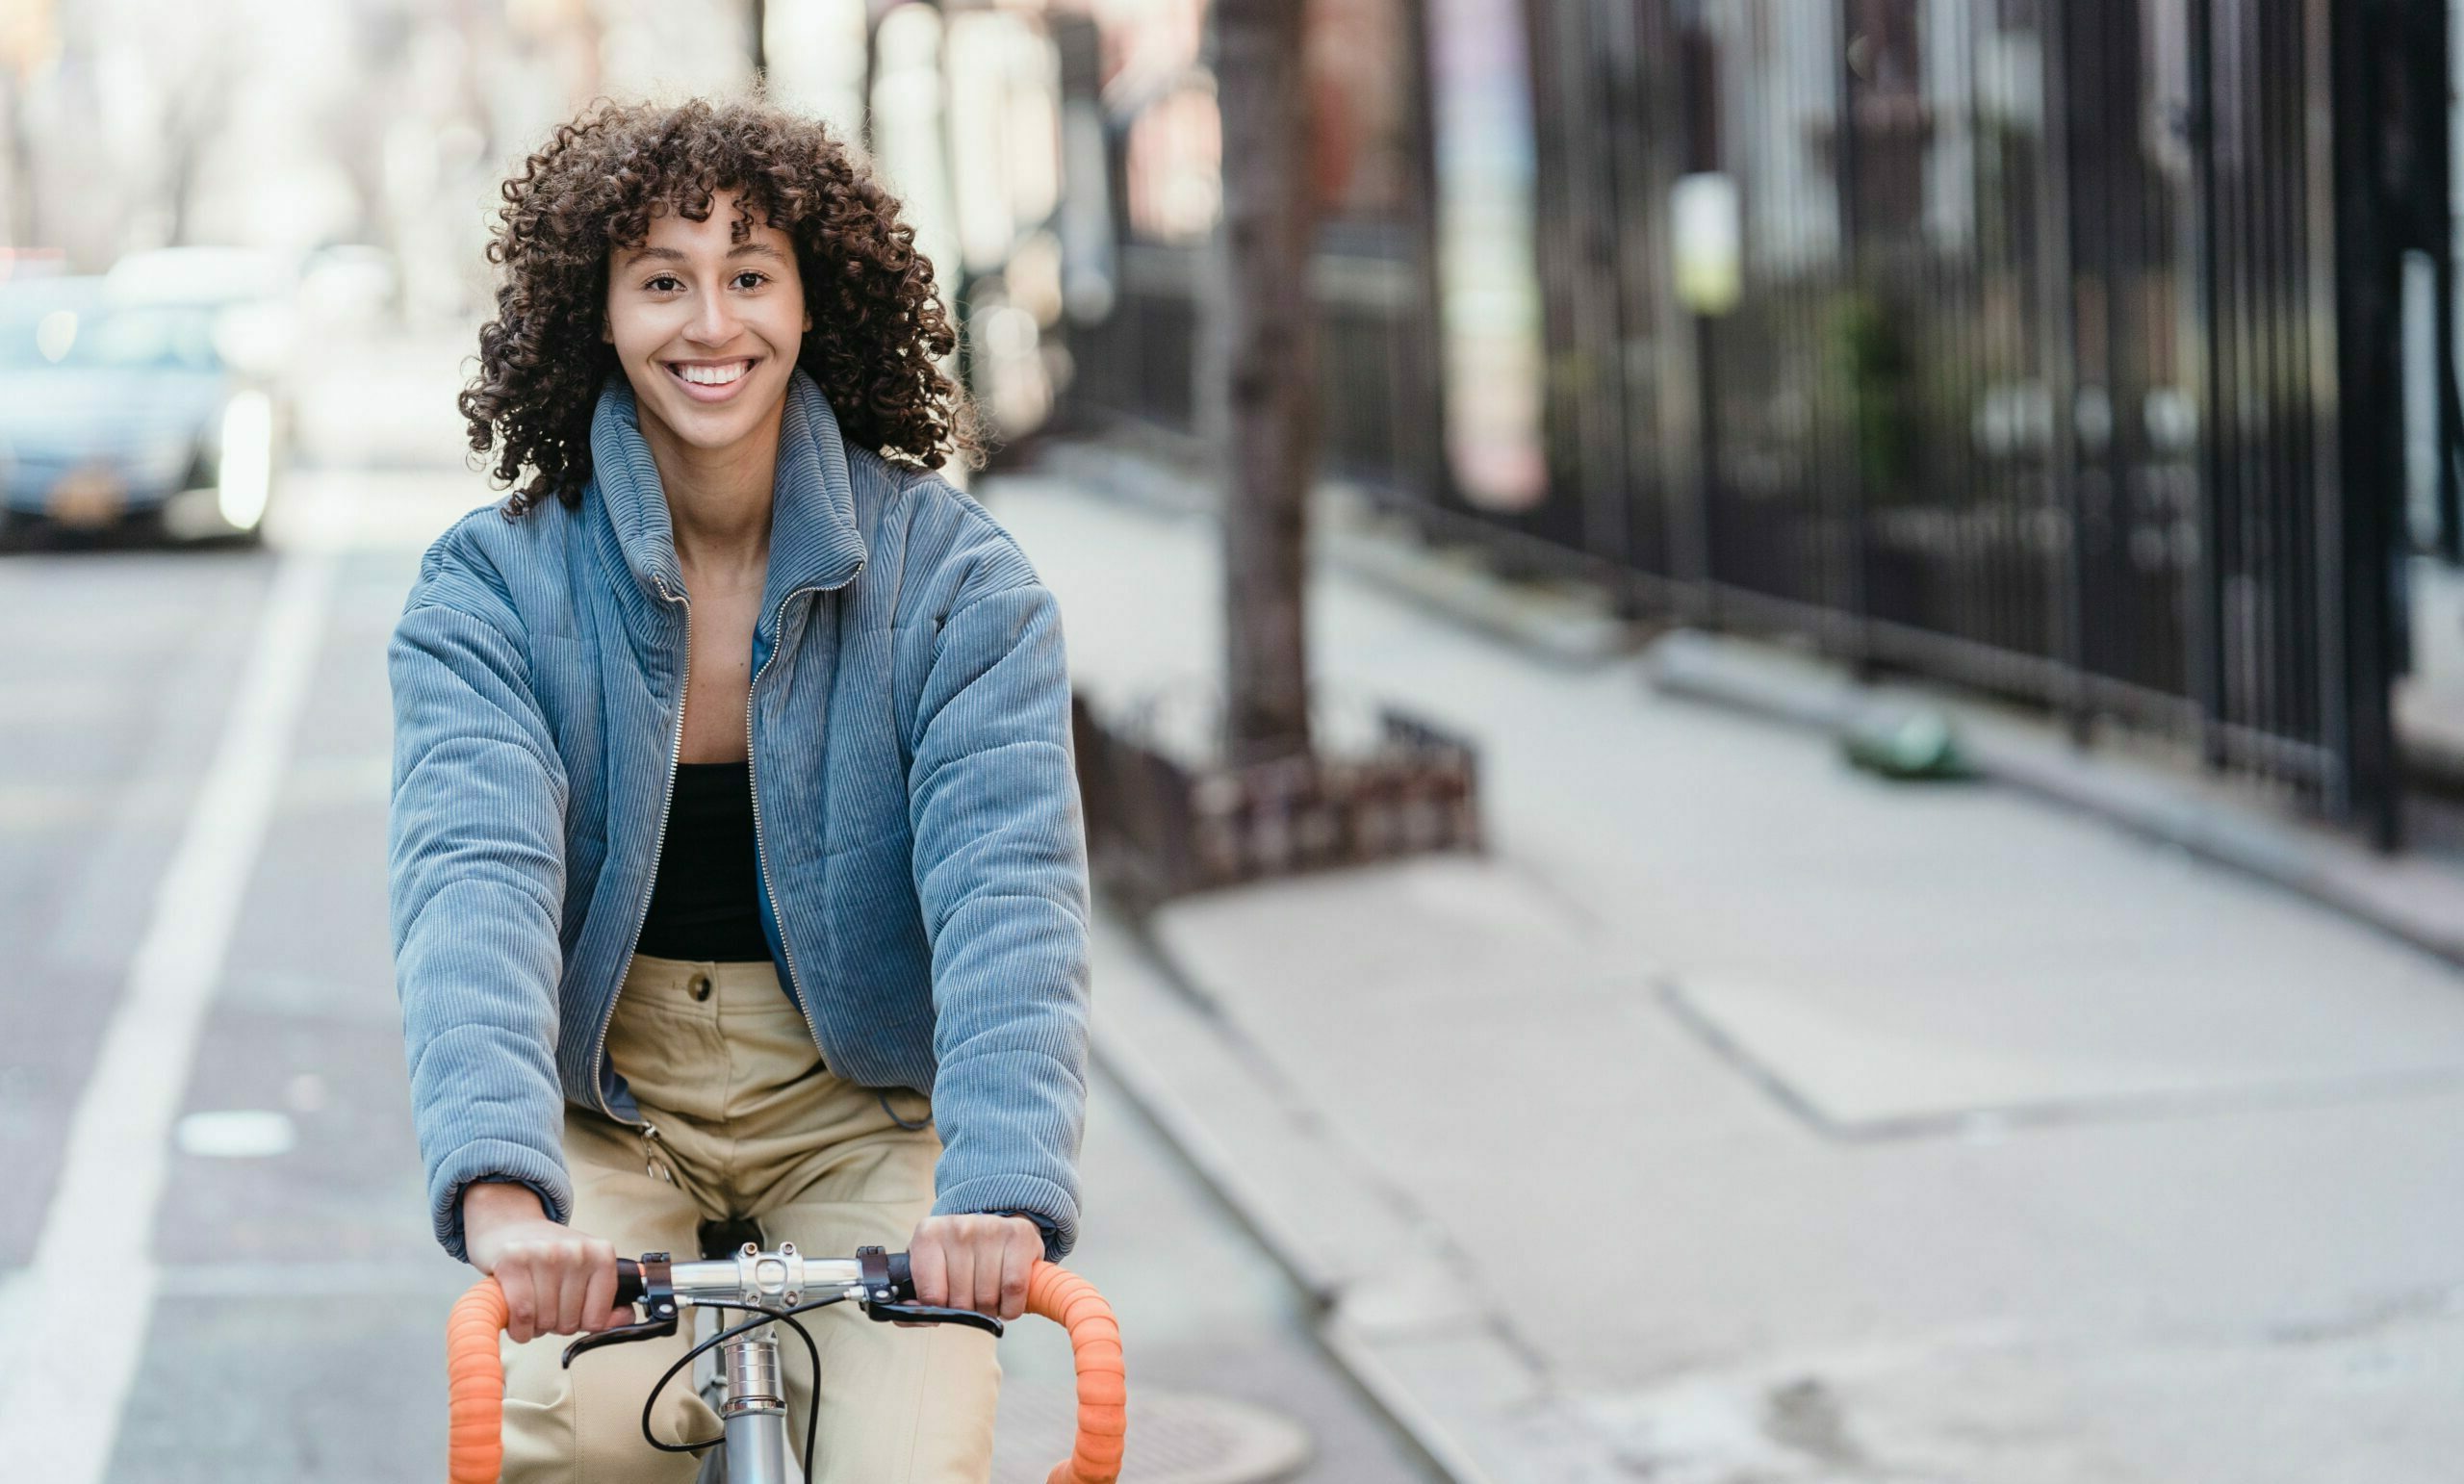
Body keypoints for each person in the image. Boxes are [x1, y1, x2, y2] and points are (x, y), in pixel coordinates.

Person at [386, 93, 1091, 1484]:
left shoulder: (960, 586)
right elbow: (473, 885)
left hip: (864, 1102)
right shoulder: (490, 592)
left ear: (815, 303)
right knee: (570, 1441)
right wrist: (509, 1197)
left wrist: (999, 1192)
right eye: (663, 280)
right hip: (613, 1105)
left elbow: (1011, 892)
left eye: (751, 275)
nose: (713, 325)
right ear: (596, 312)